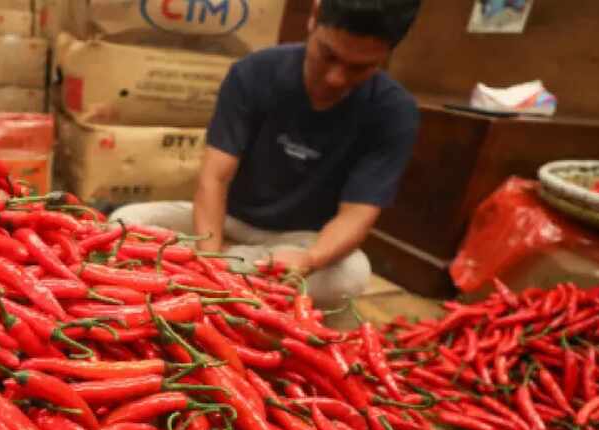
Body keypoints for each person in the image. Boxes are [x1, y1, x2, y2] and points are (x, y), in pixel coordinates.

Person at [109, 0, 422, 307]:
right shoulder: (253, 72)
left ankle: (201, 270)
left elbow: (357, 215)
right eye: (328, 55)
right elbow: (214, 179)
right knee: (125, 222)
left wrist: (310, 259)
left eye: (360, 67)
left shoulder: (394, 112)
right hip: (228, 219)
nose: (335, 78)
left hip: (300, 240)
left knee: (351, 276)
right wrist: (211, 259)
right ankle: (237, 273)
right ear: (314, 15)